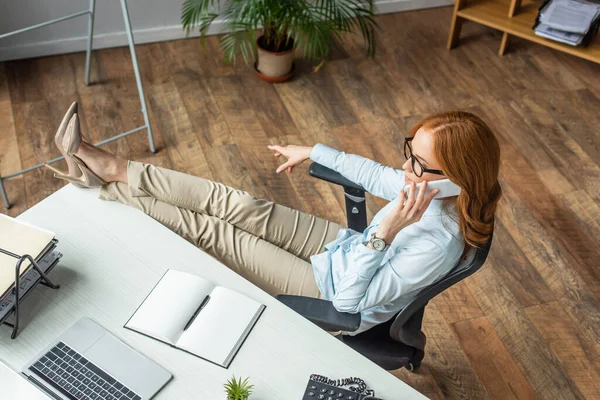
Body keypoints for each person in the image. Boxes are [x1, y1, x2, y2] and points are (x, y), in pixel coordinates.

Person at [46, 102, 501, 335]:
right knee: (237, 203)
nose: (405, 170)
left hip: (335, 288)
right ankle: (113, 169)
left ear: (455, 178)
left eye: (418, 164)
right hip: (341, 247)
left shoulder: (435, 244)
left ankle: (106, 186)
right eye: (410, 151)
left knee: (214, 232)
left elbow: (347, 302)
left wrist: (385, 229)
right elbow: (375, 173)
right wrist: (314, 152)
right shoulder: (424, 186)